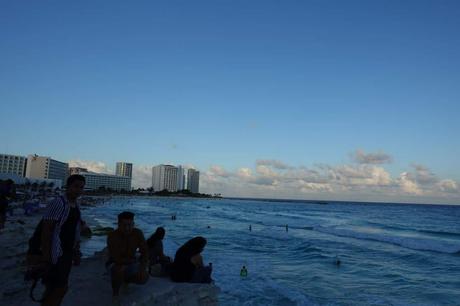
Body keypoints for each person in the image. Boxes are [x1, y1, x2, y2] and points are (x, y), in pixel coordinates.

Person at [40, 174, 85, 306]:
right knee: (58, 288)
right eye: (76, 186)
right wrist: (46, 257)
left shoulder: (75, 205)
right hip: (56, 252)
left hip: (67, 252)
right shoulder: (58, 203)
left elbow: (74, 230)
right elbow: (46, 230)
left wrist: (76, 250)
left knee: (57, 288)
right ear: (68, 186)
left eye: (81, 187)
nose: (79, 190)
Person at [107, 211, 149, 305]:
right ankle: (115, 295)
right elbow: (116, 258)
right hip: (114, 264)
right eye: (124, 225)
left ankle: (126, 281)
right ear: (118, 224)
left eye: (130, 225)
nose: (127, 228)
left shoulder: (138, 233)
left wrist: (142, 268)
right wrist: (131, 262)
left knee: (144, 277)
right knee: (119, 270)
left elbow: (145, 252)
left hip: (131, 263)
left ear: (133, 224)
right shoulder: (112, 236)